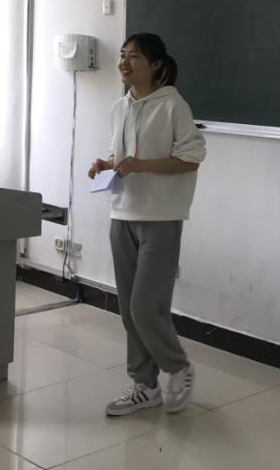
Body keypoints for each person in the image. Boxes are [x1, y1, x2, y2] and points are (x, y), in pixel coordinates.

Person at [88, 32, 206, 416]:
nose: (123, 62)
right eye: (122, 55)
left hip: (160, 217)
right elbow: (121, 154)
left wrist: (141, 165)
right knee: (128, 310)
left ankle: (178, 367)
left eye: (134, 57)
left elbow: (190, 158)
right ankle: (144, 385)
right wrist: (106, 164)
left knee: (145, 307)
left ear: (155, 65)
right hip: (121, 214)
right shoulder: (119, 107)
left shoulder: (173, 106)